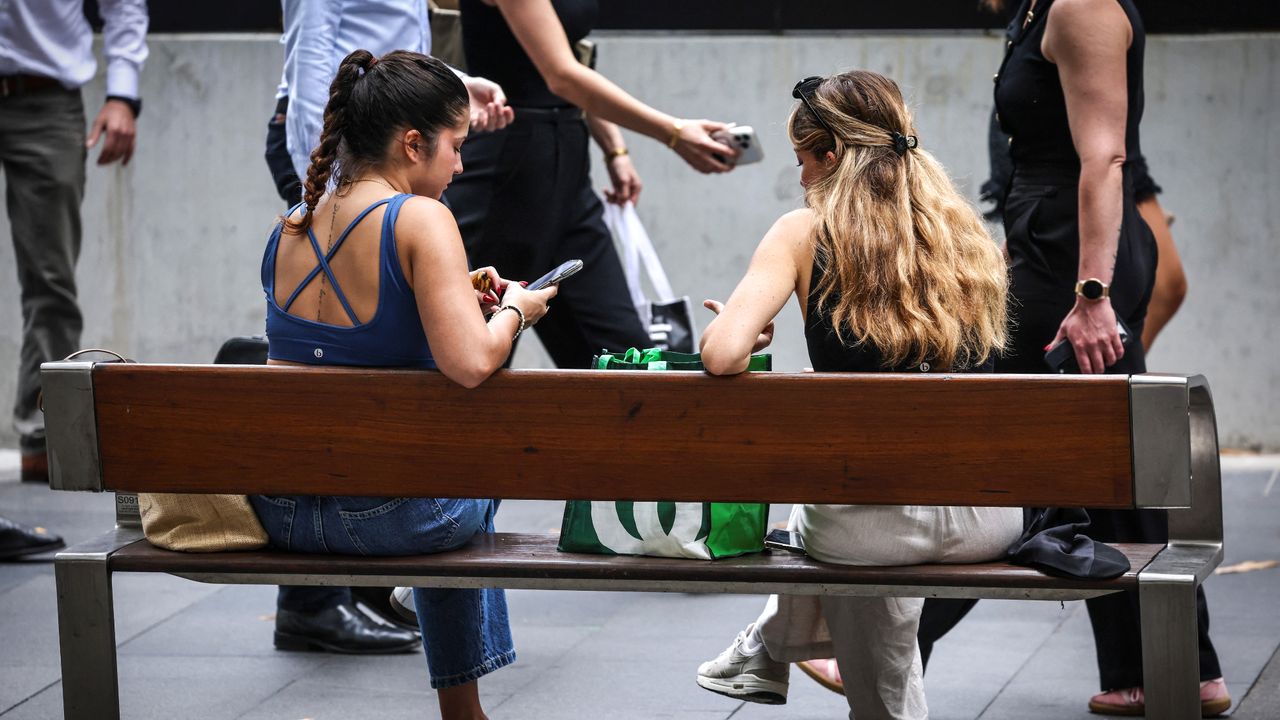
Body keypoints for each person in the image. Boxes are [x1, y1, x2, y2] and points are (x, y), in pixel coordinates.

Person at [911, 1, 1231, 716]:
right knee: (1120, 466)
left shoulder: (1080, 4)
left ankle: (896, 638)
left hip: (1074, 259)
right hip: (1049, 248)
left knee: (1001, 461)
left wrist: (1091, 293)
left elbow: (1105, 156)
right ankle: (1170, 671)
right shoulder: (1038, 7)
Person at [691, 70, 1021, 720]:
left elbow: (720, 355)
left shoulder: (803, 232)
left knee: (815, 520)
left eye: (803, 162)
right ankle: (764, 647)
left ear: (832, 155)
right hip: (989, 519)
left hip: (871, 530)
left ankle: (770, 644)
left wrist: (748, 332)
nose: (802, 180)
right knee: (839, 502)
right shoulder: (964, 235)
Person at [252, 49, 555, 718]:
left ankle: (414, 600)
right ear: (412, 143)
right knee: (473, 461)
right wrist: (515, 311)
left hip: (283, 514)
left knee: (444, 469)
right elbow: (472, 364)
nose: (460, 165)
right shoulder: (421, 219)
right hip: (392, 521)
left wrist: (456, 291)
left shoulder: (289, 228)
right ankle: (462, 703)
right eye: (454, 146)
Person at [446, 0, 739, 370]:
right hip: (503, 168)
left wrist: (614, 148)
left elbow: (574, 61)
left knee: (626, 355)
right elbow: (561, 74)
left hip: (567, 158)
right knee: (480, 353)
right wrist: (674, 133)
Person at [1, 0, 147, 484]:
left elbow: (124, 5)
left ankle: (45, 447)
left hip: (45, 98)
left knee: (50, 282)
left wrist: (123, 93)